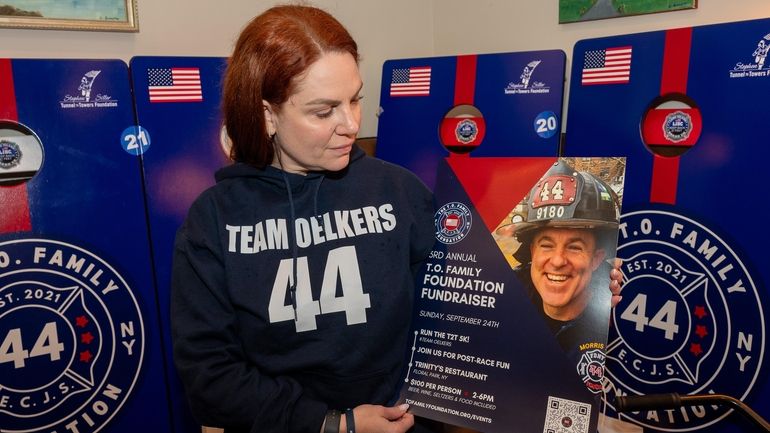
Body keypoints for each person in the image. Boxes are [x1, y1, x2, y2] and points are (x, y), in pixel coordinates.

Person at [170, 5, 437, 433]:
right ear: (267, 115)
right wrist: (336, 425)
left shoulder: (401, 192)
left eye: (355, 98)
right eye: (323, 110)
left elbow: (453, 317)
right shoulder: (214, 220)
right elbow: (210, 376)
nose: (350, 124)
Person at [500, 160, 622, 393]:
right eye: (546, 245)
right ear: (532, 253)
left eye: (575, 247)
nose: (557, 261)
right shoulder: (503, 301)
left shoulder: (614, 313)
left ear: (597, 258)